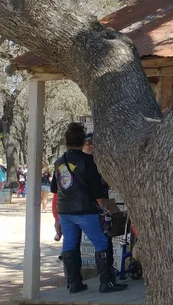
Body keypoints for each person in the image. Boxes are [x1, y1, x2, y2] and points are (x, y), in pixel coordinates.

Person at [52, 122, 126, 294]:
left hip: (65, 210)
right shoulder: (88, 161)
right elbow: (95, 188)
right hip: (85, 209)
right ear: (82, 140)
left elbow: (56, 188)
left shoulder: (59, 162)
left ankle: (74, 283)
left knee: (69, 244)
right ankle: (106, 282)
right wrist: (104, 208)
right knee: (101, 243)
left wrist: (57, 217)